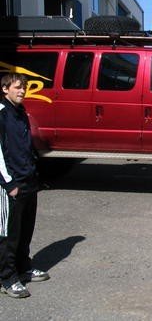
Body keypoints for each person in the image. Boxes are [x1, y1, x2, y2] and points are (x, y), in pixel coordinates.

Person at [0, 73, 49, 299]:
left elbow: (25, 145)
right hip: (12, 183)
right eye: (18, 87)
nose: (22, 91)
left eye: (24, 87)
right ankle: (8, 278)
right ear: (5, 89)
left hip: (28, 179)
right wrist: (8, 182)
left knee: (26, 229)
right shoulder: (1, 113)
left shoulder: (19, 111)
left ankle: (23, 267)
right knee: (10, 234)